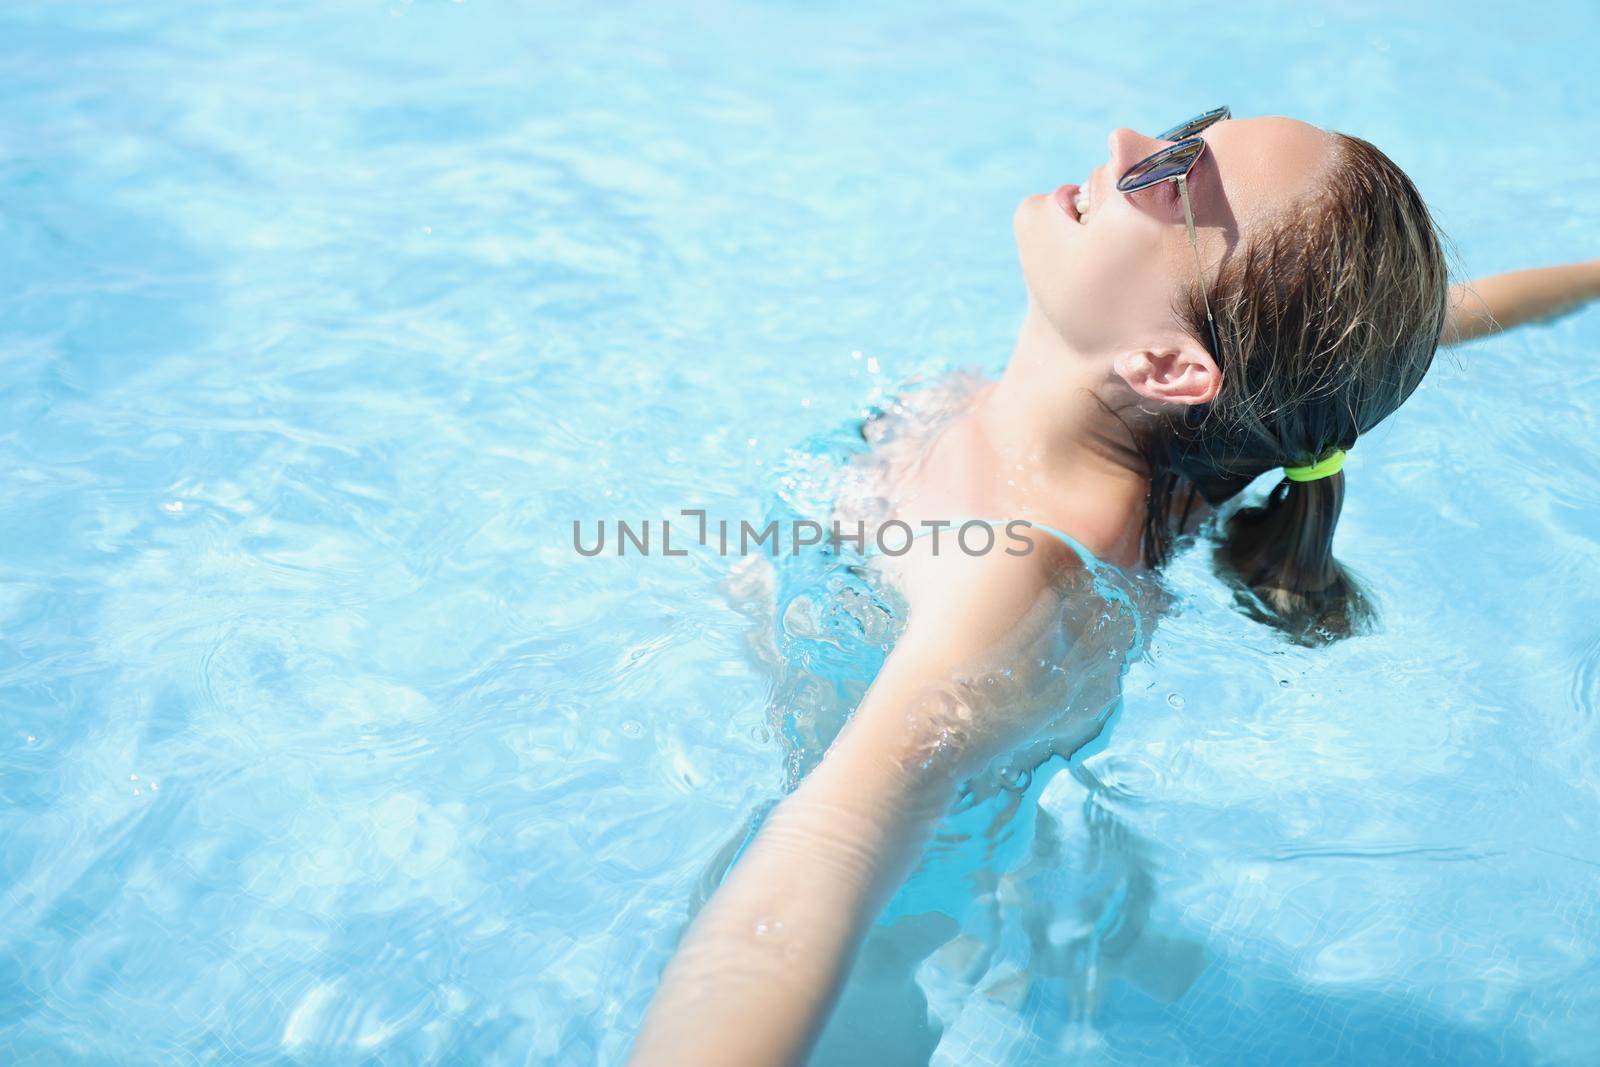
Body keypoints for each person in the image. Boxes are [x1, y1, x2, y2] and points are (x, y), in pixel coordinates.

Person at [627, 108, 1600, 1066]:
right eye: (1186, 134)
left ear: (1167, 365)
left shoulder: (1012, 577)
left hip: (899, 900)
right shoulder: (1225, 411)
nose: (1126, 143)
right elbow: (1417, 330)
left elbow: (818, 862)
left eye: (1170, 181)